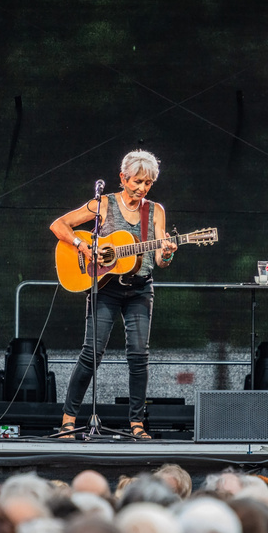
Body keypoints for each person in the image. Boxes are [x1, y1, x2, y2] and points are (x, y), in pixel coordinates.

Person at [50, 150, 177, 439]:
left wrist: (167, 253)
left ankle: (136, 424)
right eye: (137, 182)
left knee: (138, 355)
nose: (142, 188)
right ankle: (68, 420)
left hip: (140, 288)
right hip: (106, 288)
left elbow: (159, 260)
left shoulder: (155, 211)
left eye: (147, 183)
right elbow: (59, 225)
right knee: (91, 353)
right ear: (123, 178)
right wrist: (83, 247)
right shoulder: (103, 204)